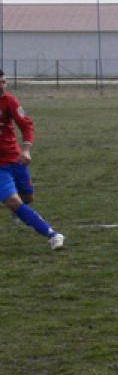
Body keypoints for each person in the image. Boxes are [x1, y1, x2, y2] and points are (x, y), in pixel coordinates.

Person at [0, 70, 65, 250]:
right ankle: (53, 235)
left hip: (16, 159)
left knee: (27, 197)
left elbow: (26, 125)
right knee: (14, 201)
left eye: (4, 82)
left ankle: (19, 211)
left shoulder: (10, 101)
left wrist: (26, 150)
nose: (2, 86)